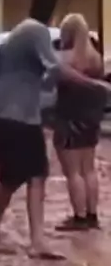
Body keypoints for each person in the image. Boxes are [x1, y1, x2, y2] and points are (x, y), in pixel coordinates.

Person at [0, 0, 111, 258]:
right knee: (28, 176)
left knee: (19, 177)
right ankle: (25, 240)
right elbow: (57, 69)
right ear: (53, 11)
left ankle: (3, 236)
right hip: (19, 117)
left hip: (7, 114)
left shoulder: (18, 33)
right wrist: (96, 86)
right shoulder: (37, 31)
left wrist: (9, 91)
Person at [53, 14, 106, 231]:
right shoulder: (96, 58)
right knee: (88, 169)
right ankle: (92, 215)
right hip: (91, 119)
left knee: (73, 172)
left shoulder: (66, 58)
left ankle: (79, 216)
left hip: (69, 118)